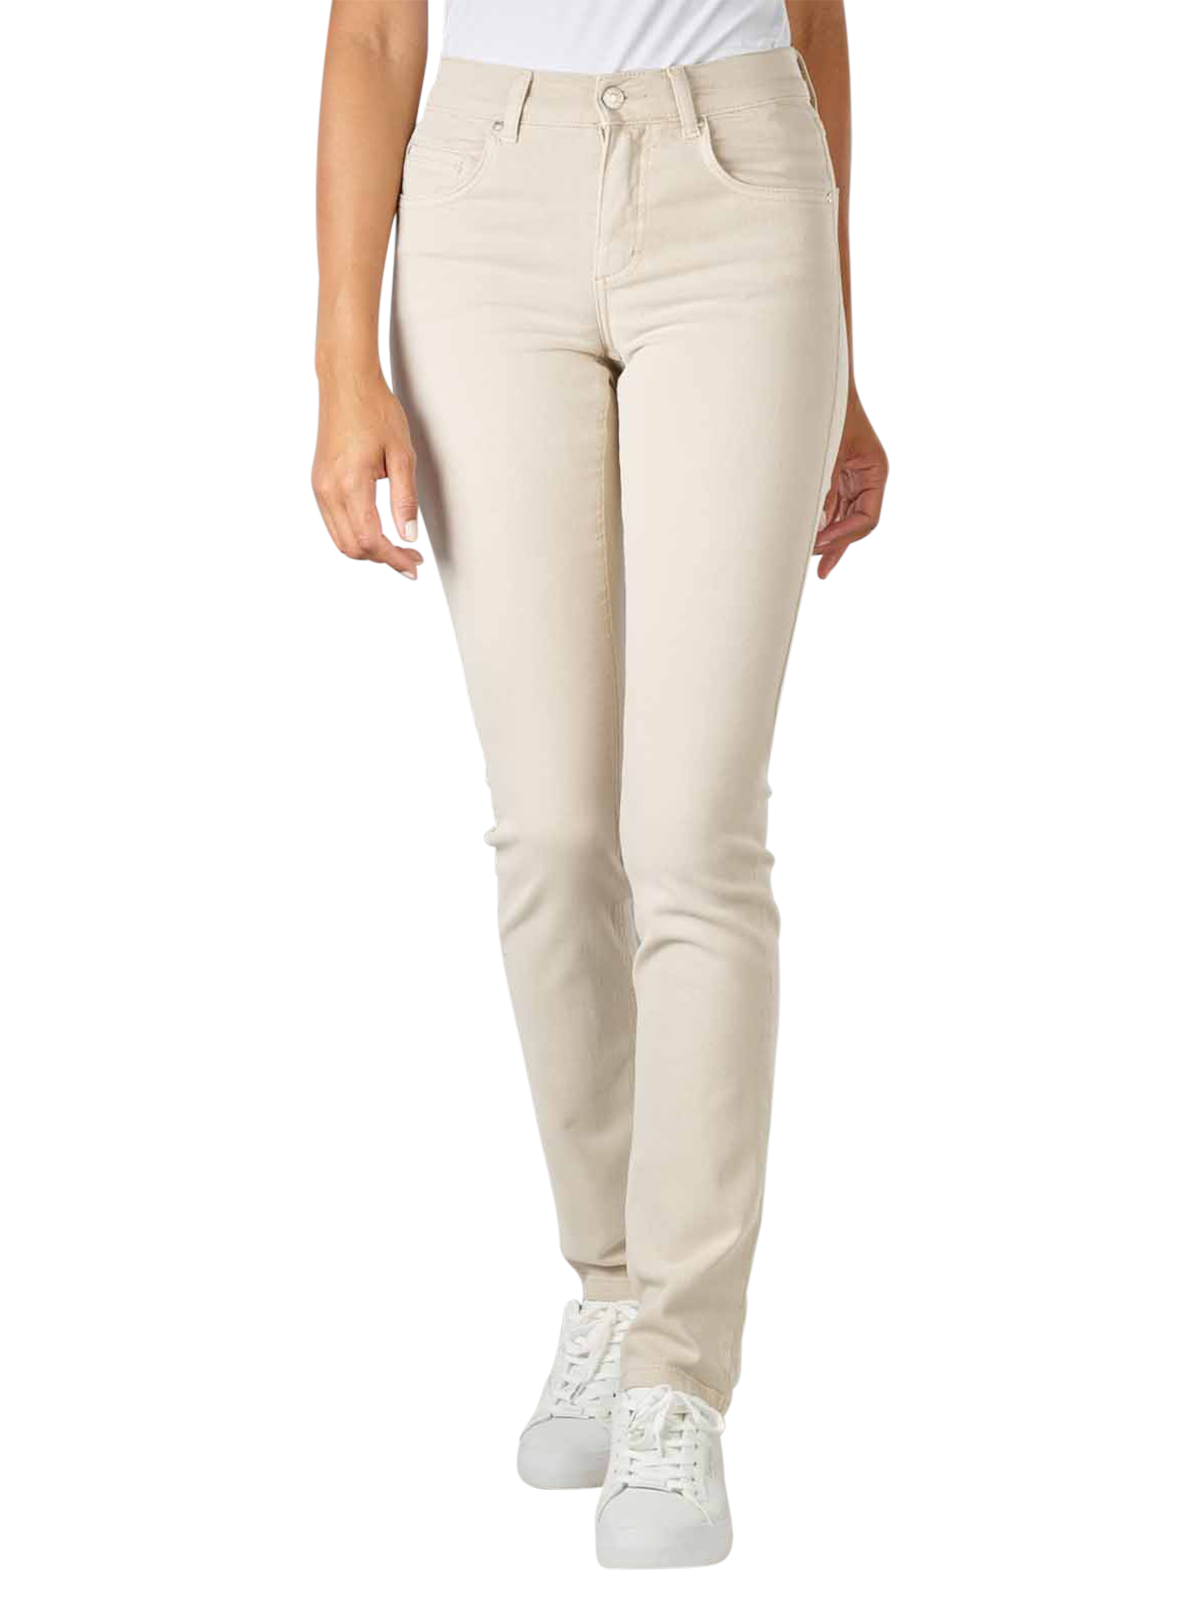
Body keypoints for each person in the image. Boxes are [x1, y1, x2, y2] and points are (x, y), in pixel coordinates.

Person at [314, 0, 887, 1569]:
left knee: (693, 830)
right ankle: (613, 1284)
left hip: (743, 182)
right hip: (482, 197)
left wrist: (838, 360)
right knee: (556, 833)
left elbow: (818, 19)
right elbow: (371, 32)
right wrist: (341, 358)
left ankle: (677, 1383)